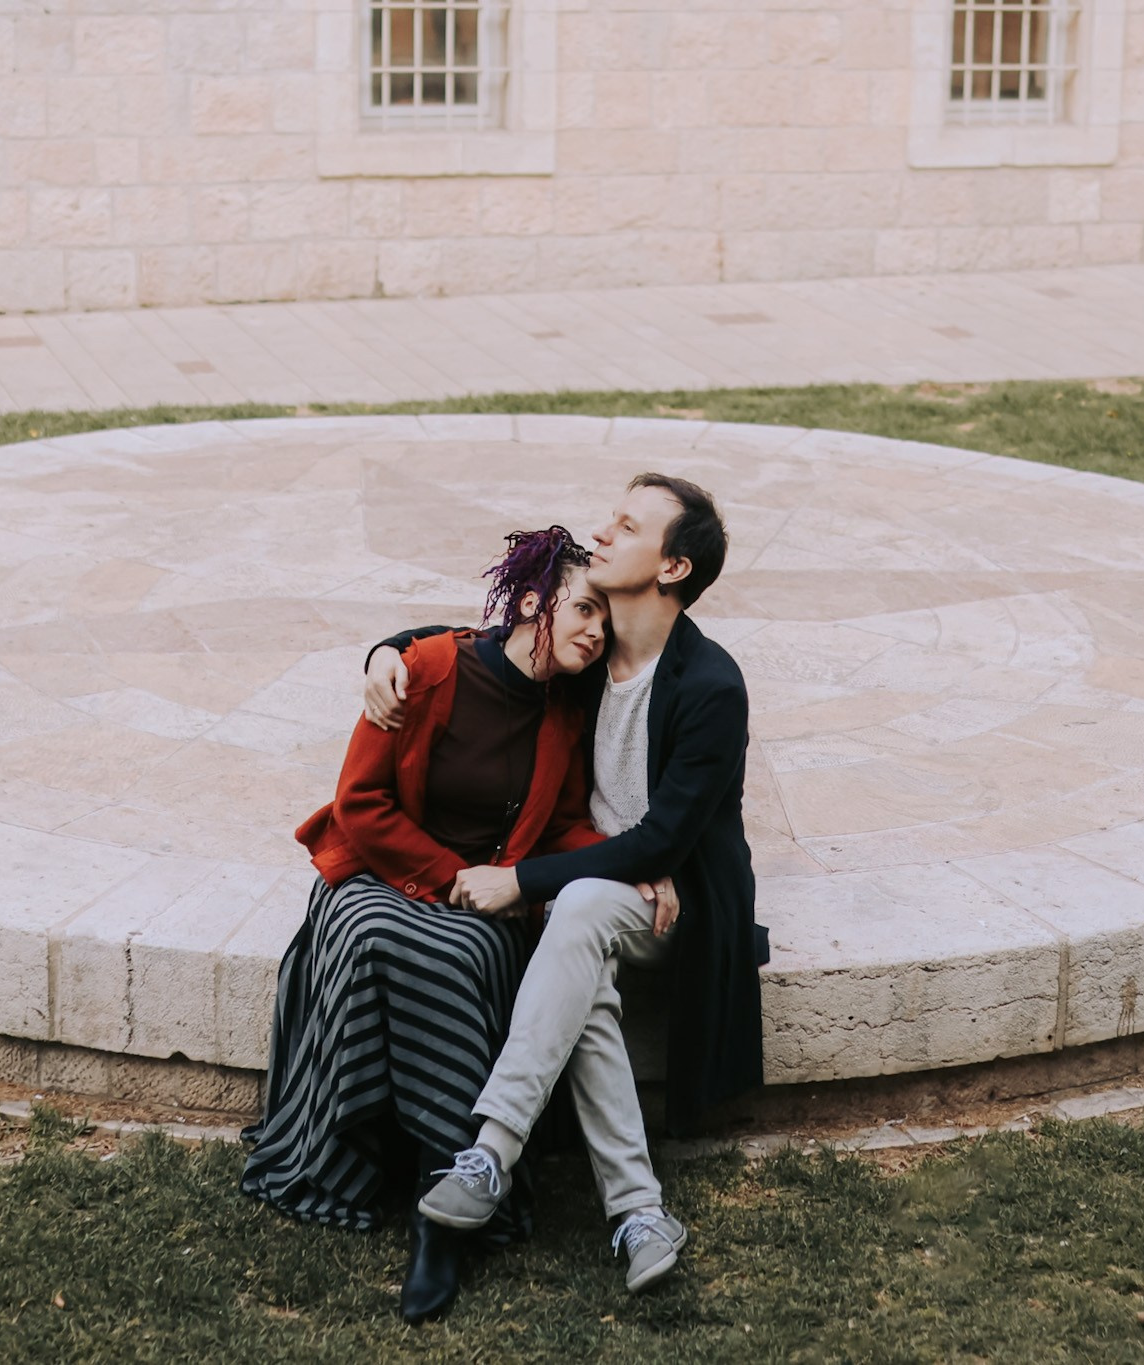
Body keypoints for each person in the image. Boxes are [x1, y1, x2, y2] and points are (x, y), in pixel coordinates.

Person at [362, 473, 766, 1295]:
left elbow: (663, 841)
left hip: (672, 906)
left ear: (673, 567)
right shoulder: (586, 653)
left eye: (627, 527)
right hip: (593, 894)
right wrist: (384, 652)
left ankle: (489, 1153)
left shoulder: (711, 688)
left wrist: (521, 879)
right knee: (585, 970)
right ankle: (638, 1211)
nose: (604, 534)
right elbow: (476, 636)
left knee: (574, 907)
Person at [240, 526, 614, 1325]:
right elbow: (361, 803)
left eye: (605, 621)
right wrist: (452, 879)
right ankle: (355, 1161)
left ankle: (441, 1212)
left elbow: (565, 826)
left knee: (464, 957)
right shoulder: (427, 669)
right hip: (381, 873)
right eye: (583, 608)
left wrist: (634, 861)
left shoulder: (565, 714)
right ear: (527, 602)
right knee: (374, 936)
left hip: (483, 903)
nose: (595, 629)